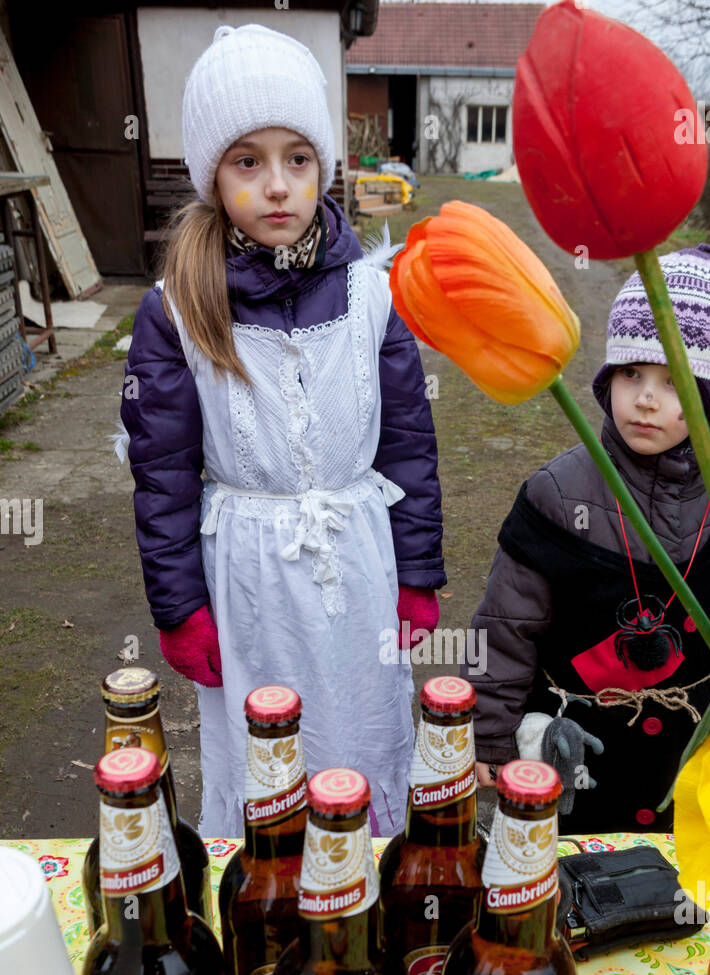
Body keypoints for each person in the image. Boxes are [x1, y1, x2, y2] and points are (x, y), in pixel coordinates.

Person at [118, 24, 445, 837]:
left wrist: (418, 574)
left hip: (360, 567)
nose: (276, 186)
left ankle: (361, 906)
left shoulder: (374, 295)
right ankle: (270, 912)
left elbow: (408, 441)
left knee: (363, 736)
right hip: (249, 582)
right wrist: (178, 608)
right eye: (247, 161)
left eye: (297, 159)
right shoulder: (178, 310)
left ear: (323, 167)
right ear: (212, 175)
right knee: (269, 755)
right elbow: (161, 474)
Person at [460, 244, 710, 834]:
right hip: (574, 759)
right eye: (632, 374)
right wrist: (491, 733)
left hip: (689, 766)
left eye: (673, 381)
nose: (647, 399)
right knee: (570, 890)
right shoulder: (556, 495)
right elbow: (506, 626)